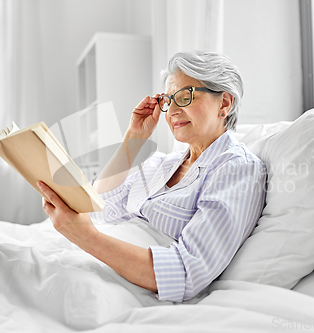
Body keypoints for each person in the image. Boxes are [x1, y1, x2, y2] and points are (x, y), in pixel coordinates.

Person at [37, 51, 266, 303]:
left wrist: (87, 237)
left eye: (185, 96)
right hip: (96, 264)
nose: (173, 110)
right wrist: (134, 140)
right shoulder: (164, 163)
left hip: (127, 287)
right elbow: (99, 208)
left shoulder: (236, 169)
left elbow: (186, 274)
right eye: (168, 100)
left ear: (224, 104)